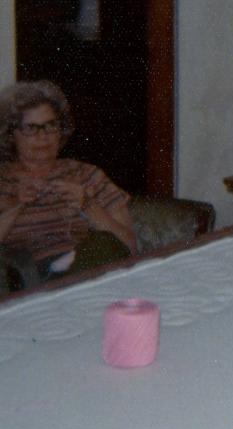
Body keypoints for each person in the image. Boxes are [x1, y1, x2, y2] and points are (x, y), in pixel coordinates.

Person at [0, 80, 137, 288]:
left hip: (89, 266)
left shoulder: (87, 174)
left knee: (104, 245)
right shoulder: (3, 181)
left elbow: (129, 245)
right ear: (12, 134)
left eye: (50, 126)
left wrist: (87, 205)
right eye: (31, 128)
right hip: (33, 279)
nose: (43, 137)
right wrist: (15, 205)